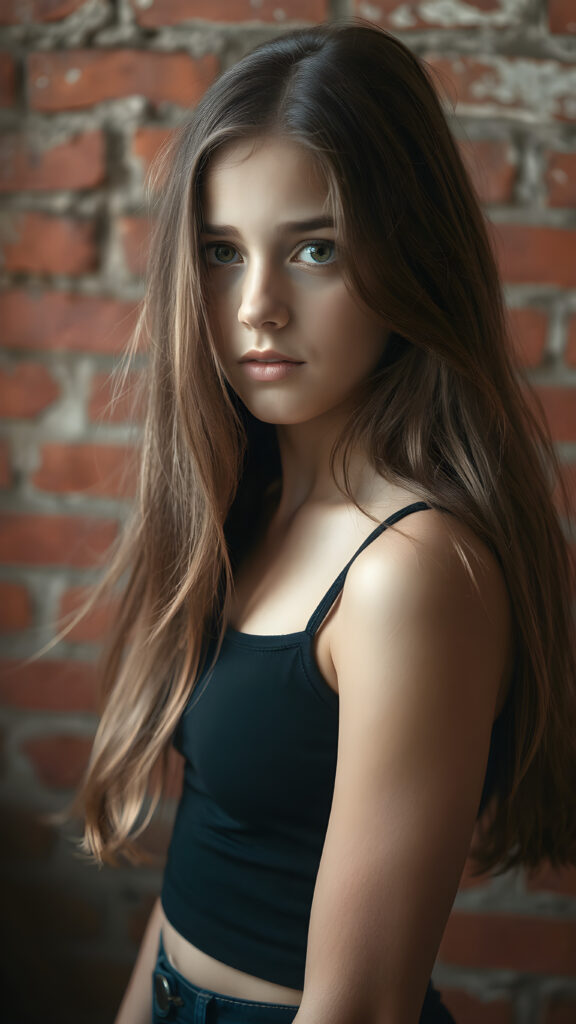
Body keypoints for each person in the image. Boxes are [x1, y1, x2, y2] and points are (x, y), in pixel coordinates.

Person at [60, 19, 576, 1024]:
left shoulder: (409, 572)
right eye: (220, 251)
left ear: (408, 259)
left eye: (313, 248)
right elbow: (196, 882)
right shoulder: (248, 503)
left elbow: (364, 1007)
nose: (256, 306)